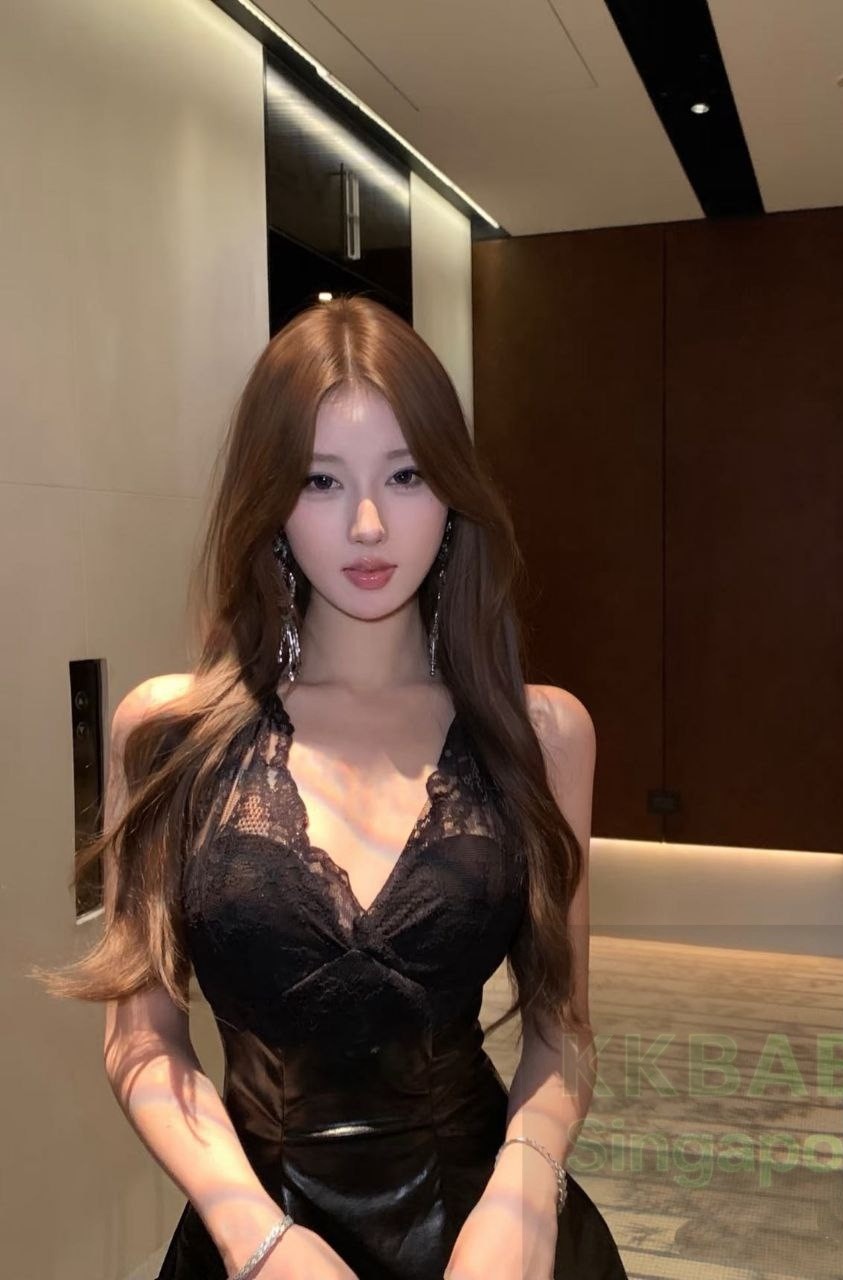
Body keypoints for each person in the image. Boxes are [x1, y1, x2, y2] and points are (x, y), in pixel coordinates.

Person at [32, 296, 628, 1280]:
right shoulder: (168, 735)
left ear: (452, 489)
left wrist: (524, 1191)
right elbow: (142, 1038)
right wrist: (254, 1237)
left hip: (488, 1234)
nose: (367, 523)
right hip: (257, 1236)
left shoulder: (541, 734)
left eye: (405, 474)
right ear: (269, 495)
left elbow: (561, 1026)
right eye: (320, 480)